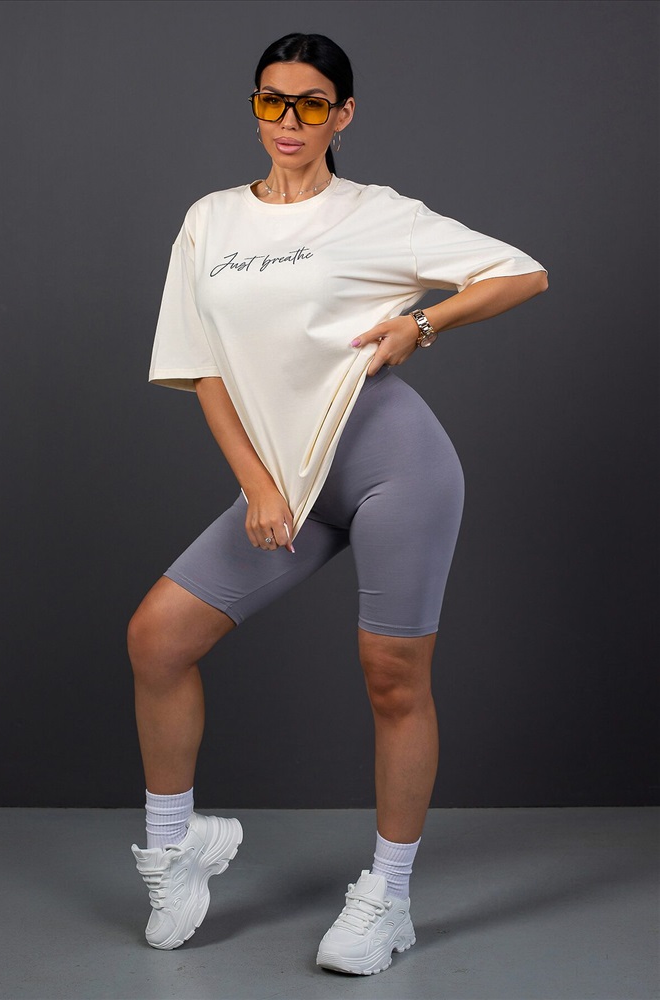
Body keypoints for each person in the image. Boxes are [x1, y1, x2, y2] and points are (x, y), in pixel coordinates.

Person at [128, 31, 547, 976]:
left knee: (391, 680)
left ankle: (387, 898)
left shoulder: (377, 214)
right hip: (286, 482)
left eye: (311, 103)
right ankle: (174, 847)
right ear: (254, 107)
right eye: (271, 101)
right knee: (156, 640)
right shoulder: (209, 221)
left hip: (393, 465)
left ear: (341, 115)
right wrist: (258, 484)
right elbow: (201, 364)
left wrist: (420, 323)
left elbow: (523, 271)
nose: (289, 120)